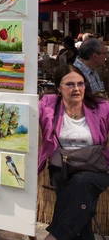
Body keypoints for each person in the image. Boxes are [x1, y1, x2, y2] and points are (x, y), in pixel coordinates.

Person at [39, 65, 109, 240]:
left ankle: (53, 237)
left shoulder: (101, 107)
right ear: (59, 88)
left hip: (96, 170)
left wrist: (106, 156)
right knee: (79, 209)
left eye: (80, 83)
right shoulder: (48, 105)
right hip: (61, 170)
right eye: (70, 84)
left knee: (80, 183)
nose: (77, 89)